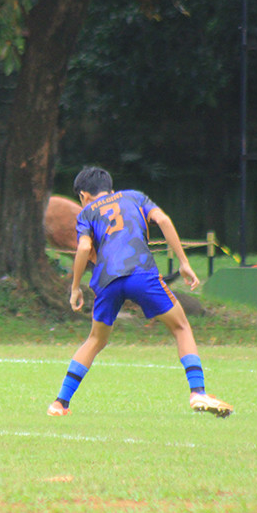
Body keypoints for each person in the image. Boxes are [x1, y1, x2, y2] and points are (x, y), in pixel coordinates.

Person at [47, 166, 231, 418]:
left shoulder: (86, 213)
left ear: (83, 196)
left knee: (95, 340)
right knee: (181, 327)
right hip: (141, 274)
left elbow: (83, 248)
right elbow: (164, 220)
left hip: (106, 281)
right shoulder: (134, 196)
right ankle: (197, 391)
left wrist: (75, 286)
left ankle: (60, 403)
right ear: (110, 188)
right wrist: (184, 262)